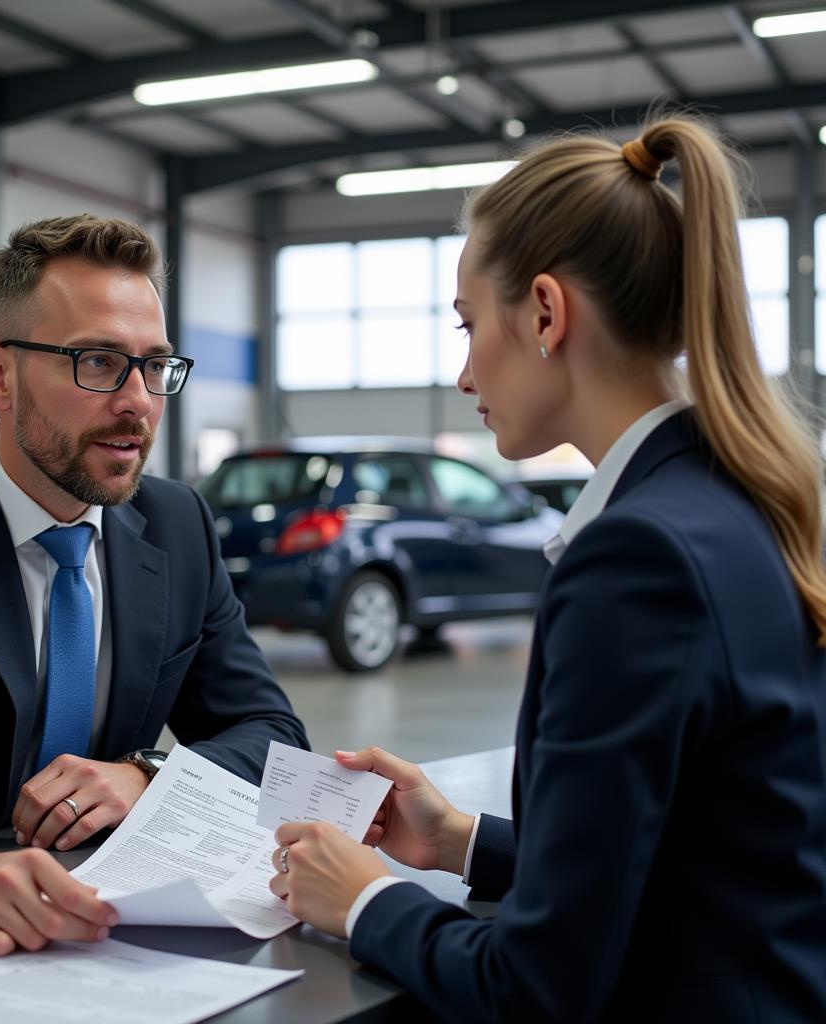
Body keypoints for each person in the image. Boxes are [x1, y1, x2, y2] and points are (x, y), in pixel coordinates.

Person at [268, 117, 826, 1022]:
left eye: (468, 323)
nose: (461, 372)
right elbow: (693, 850)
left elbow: (537, 987)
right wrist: (458, 840)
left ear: (544, 313)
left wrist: (364, 898)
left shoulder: (635, 560)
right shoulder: (736, 501)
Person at [0, 213, 309, 957]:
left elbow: (274, 739)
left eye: (154, 365)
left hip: (107, 936)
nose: (138, 400)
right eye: (99, 362)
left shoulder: (176, 525)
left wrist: (148, 774)